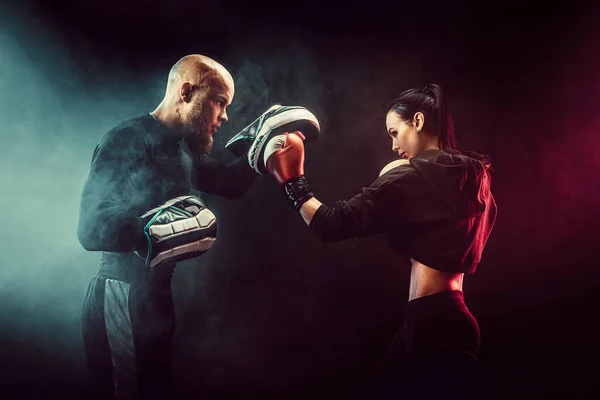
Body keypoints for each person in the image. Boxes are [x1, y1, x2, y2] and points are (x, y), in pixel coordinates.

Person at [260, 84, 498, 398]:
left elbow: (331, 224)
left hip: (435, 324)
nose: (393, 144)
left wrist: (293, 182)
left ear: (417, 121)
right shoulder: (475, 180)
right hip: (443, 321)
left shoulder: (413, 176)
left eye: (394, 132)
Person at [76, 54, 260, 399]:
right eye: (218, 102)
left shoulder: (184, 151)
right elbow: (91, 226)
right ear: (187, 91)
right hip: (120, 291)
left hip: (154, 298)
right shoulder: (127, 139)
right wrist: (158, 230)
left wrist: (269, 142)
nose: (223, 117)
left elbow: (232, 183)